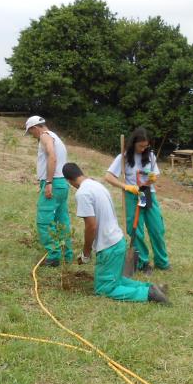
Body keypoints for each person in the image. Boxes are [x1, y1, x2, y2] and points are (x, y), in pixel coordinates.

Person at [62, 162, 169, 305]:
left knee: (104, 288)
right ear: (80, 172)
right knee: (117, 279)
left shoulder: (83, 193)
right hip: (118, 241)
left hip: (108, 247)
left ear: (68, 181)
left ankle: (148, 294)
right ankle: (152, 288)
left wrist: (86, 254)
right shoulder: (96, 185)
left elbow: (91, 226)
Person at [105, 127, 169, 273]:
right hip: (133, 195)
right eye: (140, 146)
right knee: (136, 231)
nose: (143, 148)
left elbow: (154, 175)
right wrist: (126, 186)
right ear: (133, 143)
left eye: (146, 146)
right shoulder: (124, 157)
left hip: (148, 194)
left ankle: (162, 262)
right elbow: (108, 177)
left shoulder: (151, 156)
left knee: (157, 228)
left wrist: (152, 179)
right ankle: (143, 263)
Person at [24, 115, 73, 267]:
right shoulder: (56, 137)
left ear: (35, 128)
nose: (32, 136)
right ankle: (66, 254)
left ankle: (54, 257)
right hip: (63, 183)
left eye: (31, 132)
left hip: (54, 182)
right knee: (62, 220)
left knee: (44, 221)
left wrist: (49, 182)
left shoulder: (45, 136)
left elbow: (52, 157)